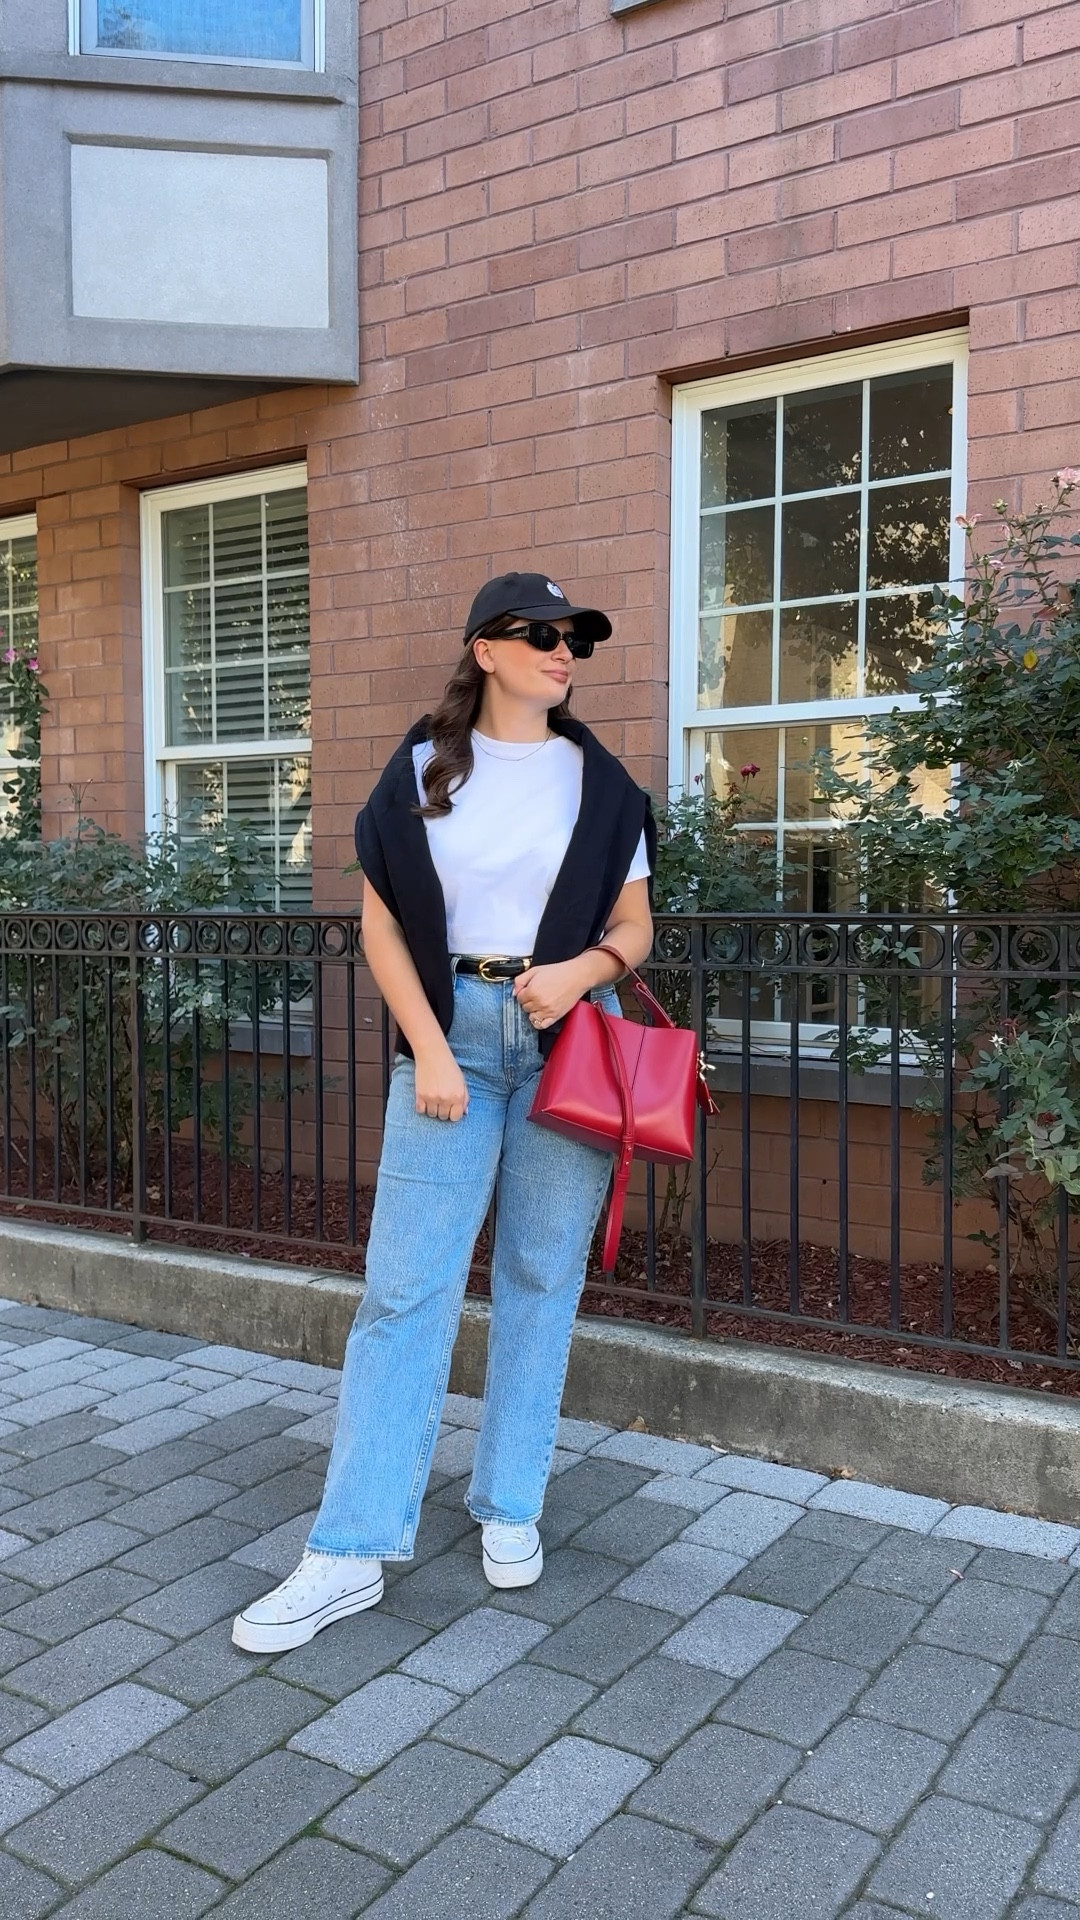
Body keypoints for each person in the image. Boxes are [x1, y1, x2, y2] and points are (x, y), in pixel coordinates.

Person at [233, 571, 654, 1653]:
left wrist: (585, 970)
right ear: (486, 650)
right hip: (451, 1034)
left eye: (577, 639)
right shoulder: (423, 769)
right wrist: (429, 1048)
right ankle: (348, 1548)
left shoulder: (600, 785)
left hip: (569, 1034)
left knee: (538, 1278)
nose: (566, 652)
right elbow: (379, 927)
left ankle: (510, 1506)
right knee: (404, 1291)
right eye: (543, 634)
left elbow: (636, 926)